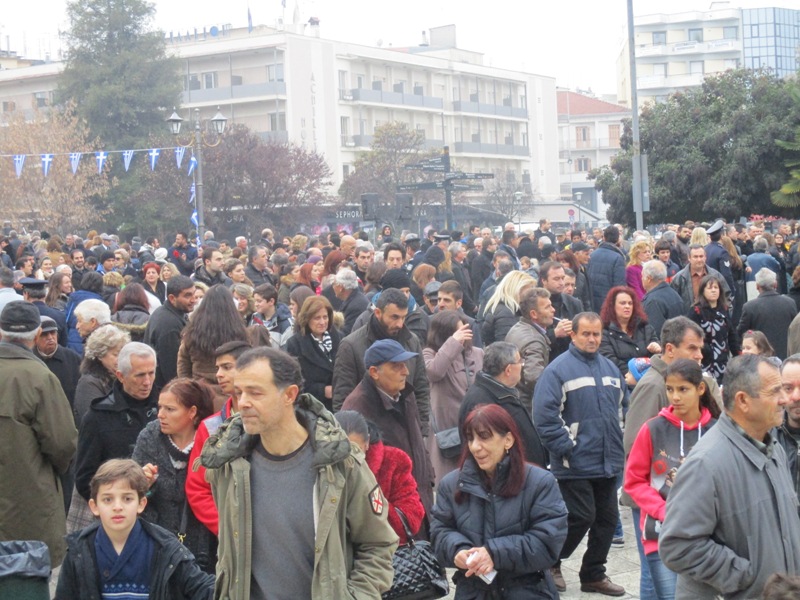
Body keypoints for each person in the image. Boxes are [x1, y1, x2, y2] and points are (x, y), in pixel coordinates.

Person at [201, 347, 397, 598]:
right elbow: (229, 554)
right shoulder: (228, 465)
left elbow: (378, 543)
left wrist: (357, 596)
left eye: (255, 392)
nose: (243, 403)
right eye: (239, 393)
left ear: (289, 395)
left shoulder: (341, 463)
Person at [659, 355, 800, 598]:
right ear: (743, 400)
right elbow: (677, 546)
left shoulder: (773, 447)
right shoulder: (705, 463)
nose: (784, 399)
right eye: (775, 391)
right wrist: (746, 576)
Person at [430, 404, 568, 599]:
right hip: (473, 591)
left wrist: (494, 553)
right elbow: (439, 533)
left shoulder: (540, 482)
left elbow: (547, 542)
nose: (475, 446)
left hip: (527, 590)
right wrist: (458, 550)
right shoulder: (451, 484)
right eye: (470, 438)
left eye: (484, 437)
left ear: (508, 440)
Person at [533, 312, 627, 596]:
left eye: (596, 334)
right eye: (586, 333)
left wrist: (619, 443)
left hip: (607, 460)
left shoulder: (610, 369)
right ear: (573, 335)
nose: (592, 339)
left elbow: (621, 410)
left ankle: (593, 575)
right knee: (580, 516)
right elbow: (545, 416)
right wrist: (567, 447)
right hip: (574, 462)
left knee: (607, 520)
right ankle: (550, 562)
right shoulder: (557, 370)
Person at [624, 359, 720, 599]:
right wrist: (663, 510)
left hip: (707, 538)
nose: (675, 397)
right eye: (670, 389)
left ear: (700, 389)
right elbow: (634, 480)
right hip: (661, 536)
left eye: (683, 389)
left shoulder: (717, 431)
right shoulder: (652, 429)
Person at [55, 459, 215, 599]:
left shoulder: (166, 549)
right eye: (108, 499)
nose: (117, 507)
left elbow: (202, 588)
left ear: (141, 504)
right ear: (94, 506)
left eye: (127, 498)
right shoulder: (80, 550)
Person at [0, 302, 78, 568]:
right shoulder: (40, 378)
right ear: (36, 336)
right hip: (27, 499)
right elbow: (63, 443)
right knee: (26, 577)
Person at [342, 338, 436, 514]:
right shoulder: (358, 407)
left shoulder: (405, 393)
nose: (406, 371)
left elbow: (418, 441)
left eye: (405, 364)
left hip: (420, 496)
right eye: (396, 366)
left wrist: (428, 478)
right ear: (374, 372)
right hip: (390, 508)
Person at [132, 378, 217, 572]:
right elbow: (132, 492)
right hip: (156, 546)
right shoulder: (149, 437)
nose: (160, 414)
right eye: (160, 407)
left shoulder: (212, 441)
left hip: (205, 550)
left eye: (170, 409)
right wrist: (144, 485)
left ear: (192, 412)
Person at [332, 287, 431, 434]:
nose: (400, 324)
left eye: (404, 317)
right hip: (370, 433)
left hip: (408, 430)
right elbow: (342, 398)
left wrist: (422, 429)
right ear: (378, 313)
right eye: (394, 317)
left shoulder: (412, 341)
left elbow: (421, 387)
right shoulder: (351, 346)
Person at [74, 343, 159, 503]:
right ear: (120, 376)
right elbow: (85, 479)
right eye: (140, 375)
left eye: (151, 373)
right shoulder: (98, 417)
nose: (147, 382)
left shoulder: (166, 408)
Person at [185, 341, 251, 536]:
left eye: (227, 367)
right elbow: (198, 488)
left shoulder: (273, 421)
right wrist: (227, 530)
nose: (219, 374)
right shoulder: (211, 427)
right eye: (218, 368)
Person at [336, 411, 425, 544]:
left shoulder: (394, 461)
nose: (350, 458)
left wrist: (371, 504)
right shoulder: (320, 466)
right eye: (342, 451)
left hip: (385, 548)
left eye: (356, 450)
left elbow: (411, 516)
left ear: (367, 442)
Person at [459, 341, 548, 467]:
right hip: (509, 474)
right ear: (508, 369)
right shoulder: (481, 402)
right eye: (520, 362)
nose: (522, 365)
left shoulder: (502, 392)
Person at [424, 310, 484, 484]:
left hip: (475, 424)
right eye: (458, 332)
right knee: (449, 482)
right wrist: (453, 343)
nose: (463, 336)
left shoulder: (477, 353)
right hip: (446, 431)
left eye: (464, 331)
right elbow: (434, 372)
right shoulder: (429, 353)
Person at [177, 285, 248, 409]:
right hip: (231, 394)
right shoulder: (241, 333)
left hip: (201, 395)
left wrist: (189, 389)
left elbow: (183, 367)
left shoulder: (192, 334)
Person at [286, 295, 340, 411]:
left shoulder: (339, 338)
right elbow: (295, 382)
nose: (322, 322)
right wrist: (322, 390)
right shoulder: (295, 344)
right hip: (313, 408)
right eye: (317, 318)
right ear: (307, 319)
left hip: (339, 403)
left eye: (325, 317)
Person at [599, 286, 660, 388]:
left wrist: (657, 346)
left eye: (630, 303)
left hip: (649, 383)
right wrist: (635, 376)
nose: (627, 306)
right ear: (612, 306)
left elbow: (656, 354)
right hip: (620, 384)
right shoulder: (604, 332)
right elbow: (610, 360)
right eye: (623, 303)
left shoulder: (644, 327)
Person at [143, 275, 196, 390]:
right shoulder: (169, 324)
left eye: (193, 294)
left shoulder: (168, 313)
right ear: (172, 298)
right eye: (187, 295)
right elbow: (172, 368)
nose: (193, 300)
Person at [505, 287, 554, 406]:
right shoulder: (534, 341)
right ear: (533, 314)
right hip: (527, 405)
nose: (553, 310)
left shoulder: (517, 327)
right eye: (547, 307)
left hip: (514, 399)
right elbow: (534, 377)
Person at [687, 274, 740, 383]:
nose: (713, 290)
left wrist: (738, 354)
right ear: (703, 291)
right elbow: (690, 336)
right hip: (703, 361)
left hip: (722, 361)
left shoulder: (724, 309)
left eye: (716, 287)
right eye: (710, 288)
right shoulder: (696, 311)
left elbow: (731, 334)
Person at [737, 267, 797, 359]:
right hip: (786, 356)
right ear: (775, 284)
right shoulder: (790, 303)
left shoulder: (749, 307)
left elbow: (741, 333)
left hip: (761, 358)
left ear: (757, 286)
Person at [481, 271, 537, 346]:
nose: (531, 296)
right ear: (517, 290)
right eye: (528, 292)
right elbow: (506, 348)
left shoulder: (501, 308)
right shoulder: (507, 314)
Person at [587, 225, 627, 312]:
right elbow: (619, 285)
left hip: (593, 300)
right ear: (618, 239)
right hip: (609, 303)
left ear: (604, 238)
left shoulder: (592, 255)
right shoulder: (618, 258)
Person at [641, 259, 684, 338]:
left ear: (649, 278)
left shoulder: (653, 301)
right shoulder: (674, 294)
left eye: (643, 276)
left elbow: (654, 333)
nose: (642, 279)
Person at [332, 268, 369, 336]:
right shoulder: (355, 298)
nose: (333, 287)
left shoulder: (355, 307)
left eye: (334, 284)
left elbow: (347, 334)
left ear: (341, 288)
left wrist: (330, 329)